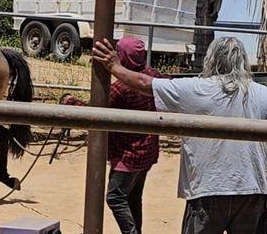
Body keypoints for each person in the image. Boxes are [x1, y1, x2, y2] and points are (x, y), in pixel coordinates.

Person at [93, 36, 267, 234]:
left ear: (210, 59)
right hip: (254, 189)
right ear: (243, 61)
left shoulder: (196, 88)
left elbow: (144, 83)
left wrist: (114, 66)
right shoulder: (261, 94)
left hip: (207, 189)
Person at [104, 37, 165, 234]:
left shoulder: (120, 89)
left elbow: (95, 110)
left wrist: (70, 101)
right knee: (133, 197)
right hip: (147, 152)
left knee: (115, 197)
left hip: (127, 155)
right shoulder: (154, 77)